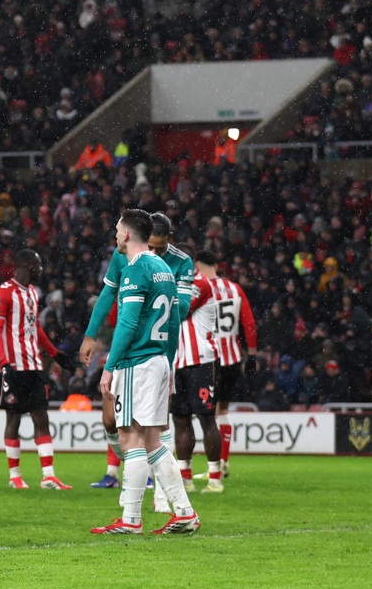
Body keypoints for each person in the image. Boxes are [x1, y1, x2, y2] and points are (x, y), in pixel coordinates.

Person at [90, 209, 199, 535]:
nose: (115, 235)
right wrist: (167, 363)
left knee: (131, 438)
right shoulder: (163, 268)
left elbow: (127, 322)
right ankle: (184, 513)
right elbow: (176, 317)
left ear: (126, 235)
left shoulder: (136, 269)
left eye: (117, 230)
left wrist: (109, 366)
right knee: (152, 440)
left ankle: (131, 519)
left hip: (137, 361)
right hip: (159, 360)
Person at [0, 250, 70, 490]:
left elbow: (35, 328)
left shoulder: (33, 294)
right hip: (13, 366)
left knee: (41, 417)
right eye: (37, 265)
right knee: (13, 418)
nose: (41, 269)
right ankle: (15, 476)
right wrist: (4, 363)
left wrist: (55, 353)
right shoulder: (3, 293)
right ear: (25, 266)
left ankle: (48, 476)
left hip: (34, 365)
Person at [198, 250, 255, 477]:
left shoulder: (201, 288)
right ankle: (223, 462)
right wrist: (251, 353)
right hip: (232, 358)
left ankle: (213, 468)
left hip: (209, 358)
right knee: (223, 409)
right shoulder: (234, 289)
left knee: (208, 414)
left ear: (199, 265)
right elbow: (248, 323)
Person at [174, 253, 225, 492]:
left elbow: (179, 311)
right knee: (180, 420)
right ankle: (185, 478)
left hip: (200, 360)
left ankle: (215, 477)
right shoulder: (171, 282)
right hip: (175, 362)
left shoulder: (199, 283)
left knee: (206, 418)